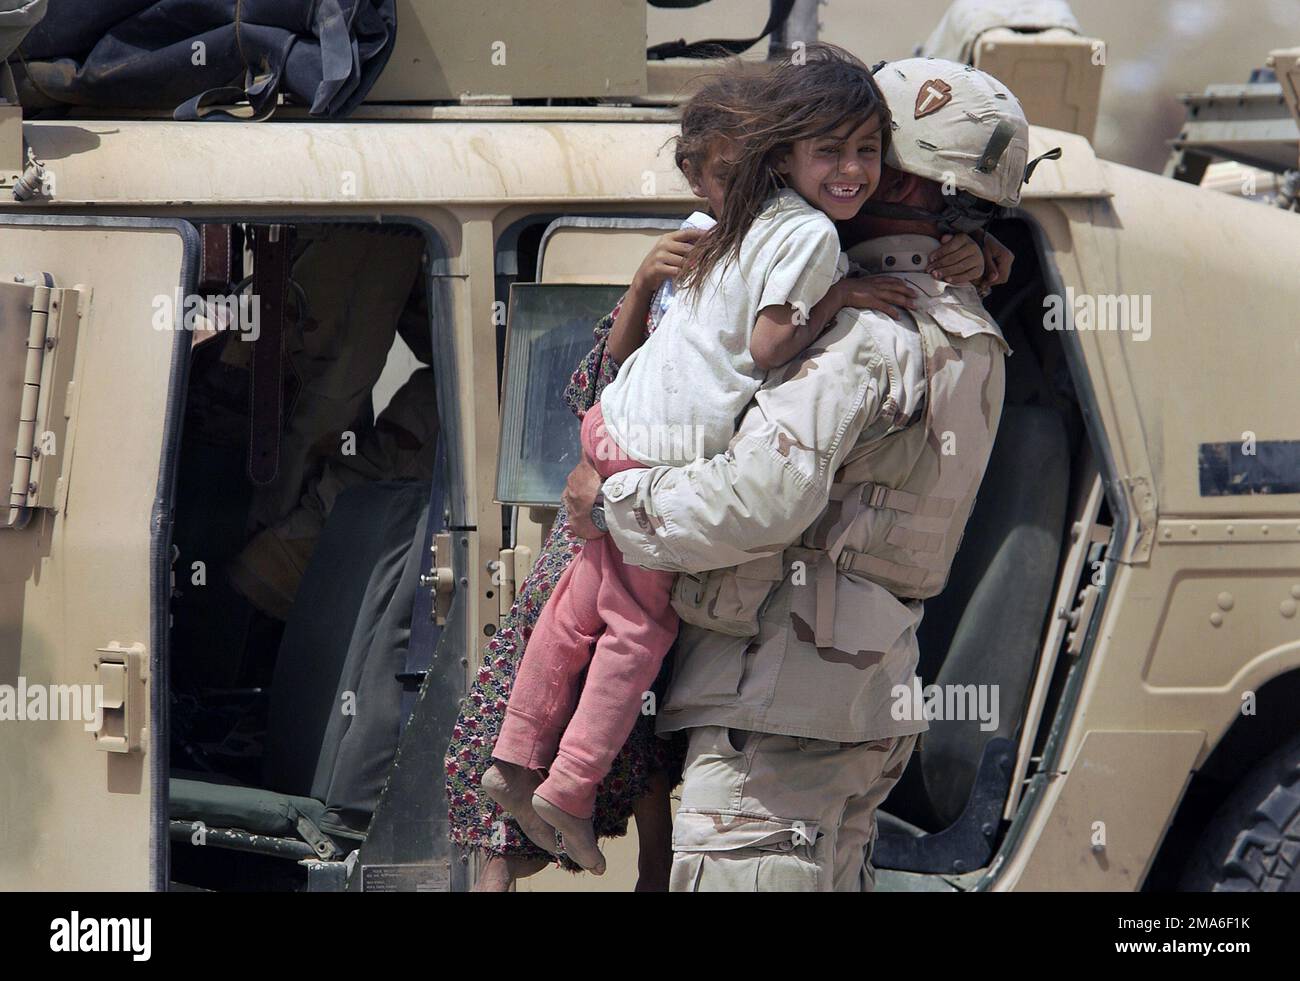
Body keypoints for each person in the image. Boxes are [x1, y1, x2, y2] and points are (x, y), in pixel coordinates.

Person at [562, 57, 1047, 891]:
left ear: (898, 174)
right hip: (857, 696)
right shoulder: (964, 320)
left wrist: (611, 502)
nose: (845, 176)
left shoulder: (867, 329)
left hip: (781, 705)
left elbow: (760, 498)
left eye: (867, 152)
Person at [481, 45, 952, 875]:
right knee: (637, 630)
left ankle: (518, 763)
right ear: (785, 158)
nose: (853, 171)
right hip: (654, 471)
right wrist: (839, 295)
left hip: (612, 435)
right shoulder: (805, 238)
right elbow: (771, 352)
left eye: (867, 152)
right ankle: (566, 789)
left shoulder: (732, 222)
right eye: (830, 152)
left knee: (572, 615)